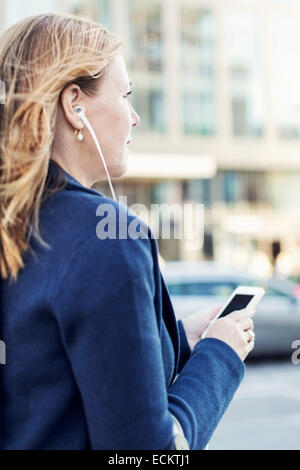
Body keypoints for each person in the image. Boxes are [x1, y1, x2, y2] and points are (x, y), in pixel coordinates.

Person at [0, 13, 255, 450]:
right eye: (126, 94)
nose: (134, 117)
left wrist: (176, 337)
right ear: (74, 106)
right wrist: (220, 356)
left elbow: (52, 382)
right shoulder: (110, 236)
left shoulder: (19, 222)